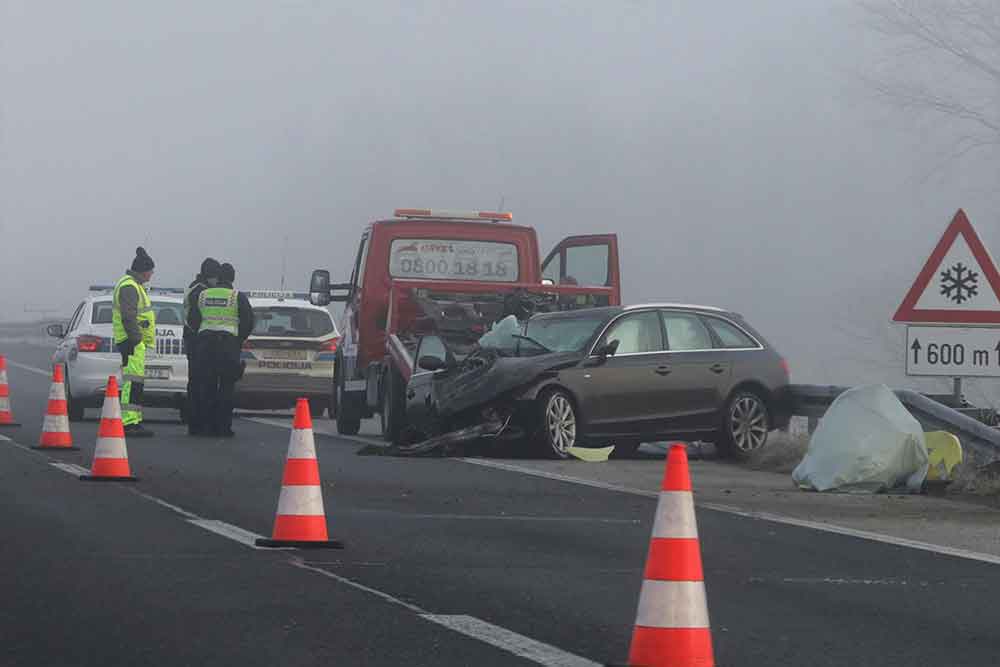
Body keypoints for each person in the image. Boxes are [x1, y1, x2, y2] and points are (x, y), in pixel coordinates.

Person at [187, 262, 253, 437]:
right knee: (226, 387)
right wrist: (238, 339)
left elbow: (192, 319)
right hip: (228, 346)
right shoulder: (237, 297)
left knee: (206, 386)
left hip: (205, 345)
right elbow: (248, 321)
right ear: (232, 278)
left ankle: (206, 426)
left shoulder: (203, 295)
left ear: (218, 277)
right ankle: (223, 427)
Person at [112, 247, 156, 438]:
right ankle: (129, 422)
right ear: (143, 271)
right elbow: (128, 316)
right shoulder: (129, 286)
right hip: (131, 341)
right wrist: (137, 339)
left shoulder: (133, 285)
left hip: (133, 341)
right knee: (132, 383)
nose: (152, 274)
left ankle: (134, 421)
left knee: (136, 382)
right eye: (150, 271)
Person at [183, 258, 221, 436]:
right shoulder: (200, 291)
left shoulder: (195, 287)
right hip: (197, 340)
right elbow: (196, 318)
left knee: (196, 382)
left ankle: (196, 421)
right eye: (215, 276)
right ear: (210, 275)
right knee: (199, 383)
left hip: (193, 339)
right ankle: (197, 422)